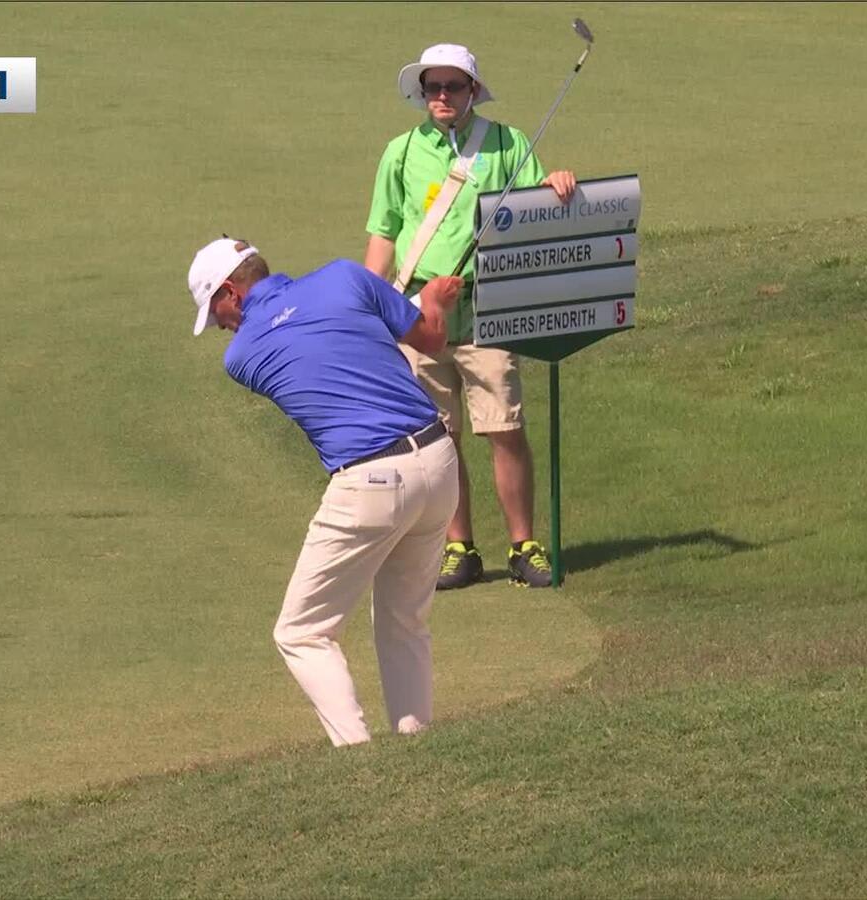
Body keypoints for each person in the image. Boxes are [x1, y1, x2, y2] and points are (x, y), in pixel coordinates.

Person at [186, 236, 463, 747]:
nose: (220, 325)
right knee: (404, 622)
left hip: (370, 483)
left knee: (301, 632)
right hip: (440, 463)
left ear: (232, 291)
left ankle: (357, 753)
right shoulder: (346, 276)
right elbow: (430, 340)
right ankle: (417, 744)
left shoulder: (242, 354)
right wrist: (433, 303)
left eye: (215, 310)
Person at [364, 43, 578, 590]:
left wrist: (555, 185)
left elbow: (534, 207)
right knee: (439, 434)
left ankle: (522, 545)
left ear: (472, 92)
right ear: (421, 92)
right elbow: (384, 232)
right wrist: (373, 304)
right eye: (432, 86)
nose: (441, 95)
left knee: (504, 426)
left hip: (489, 308)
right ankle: (459, 547)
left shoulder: (506, 143)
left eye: (453, 86)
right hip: (417, 311)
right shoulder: (401, 152)